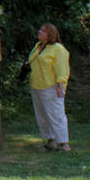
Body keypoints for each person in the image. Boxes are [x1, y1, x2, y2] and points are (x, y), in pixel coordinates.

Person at [26, 23, 71, 151]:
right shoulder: (38, 46)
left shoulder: (58, 49)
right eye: (40, 30)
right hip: (37, 85)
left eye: (43, 31)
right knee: (42, 114)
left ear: (50, 34)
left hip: (51, 86)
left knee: (56, 114)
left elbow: (62, 67)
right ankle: (50, 141)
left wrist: (60, 84)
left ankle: (64, 143)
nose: (40, 32)